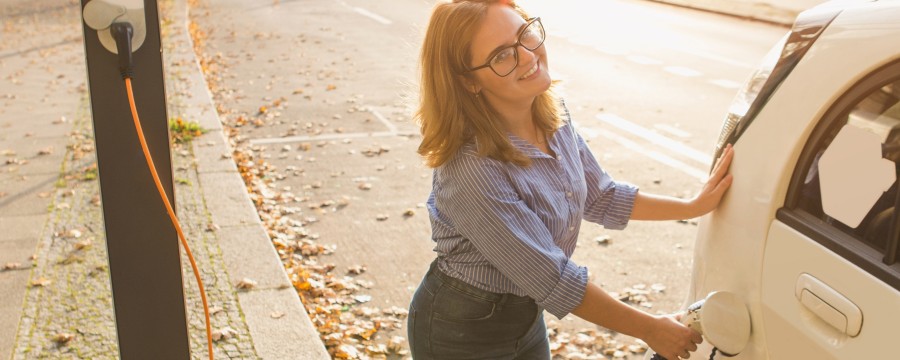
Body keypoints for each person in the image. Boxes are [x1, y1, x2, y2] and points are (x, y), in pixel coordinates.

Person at [408, 1, 735, 359]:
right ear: (469, 81)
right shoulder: (470, 167)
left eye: (525, 34)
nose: (528, 56)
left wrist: (693, 206)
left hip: (526, 315)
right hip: (461, 328)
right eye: (502, 56)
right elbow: (552, 277)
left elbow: (601, 196)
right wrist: (649, 329)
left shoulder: (552, 112)